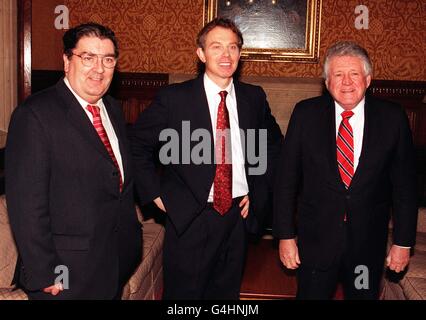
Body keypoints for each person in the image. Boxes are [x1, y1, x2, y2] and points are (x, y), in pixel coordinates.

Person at [131, 18, 282, 299]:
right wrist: (155, 194)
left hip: (238, 216)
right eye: (216, 47)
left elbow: (272, 147)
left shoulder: (254, 98)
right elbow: (136, 146)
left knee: (226, 295)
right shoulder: (175, 98)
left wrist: (257, 191)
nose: (226, 55)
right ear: (201, 54)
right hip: (190, 216)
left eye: (233, 47)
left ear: (240, 54)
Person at [5, 23, 141, 299]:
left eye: (108, 59)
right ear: (67, 61)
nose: (99, 69)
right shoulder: (35, 115)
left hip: (113, 263)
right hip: (65, 275)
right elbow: (26, 204)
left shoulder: (113, 109)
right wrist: (46, 272)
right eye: (88, 58)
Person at [273, 41, 418, 300]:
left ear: (368, 79)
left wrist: (403, 242)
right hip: (316, 247)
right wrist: (285, 236)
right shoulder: (306, 114)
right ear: (327, 82)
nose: (346, 82)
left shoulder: (392, 118)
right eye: (338, 75)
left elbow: (405, 187)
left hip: (366, 248)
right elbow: (286, 181)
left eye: (354, 74)